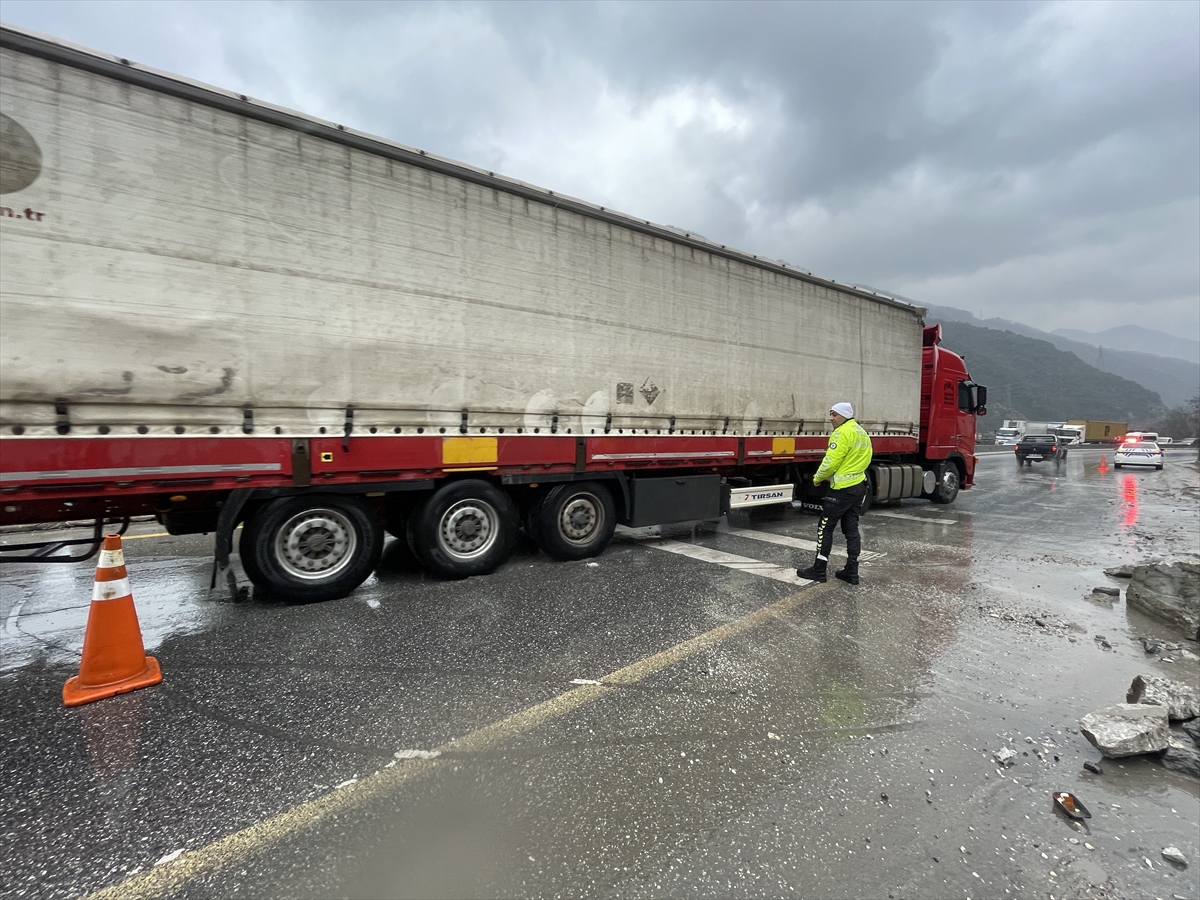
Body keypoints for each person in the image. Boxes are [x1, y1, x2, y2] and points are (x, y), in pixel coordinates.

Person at [797, 402, 872, 584]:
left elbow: (831, 460)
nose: (831, 418)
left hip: (841, 490)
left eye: (834, 415)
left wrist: (818, 477)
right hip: (858, 486)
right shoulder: (862, 433)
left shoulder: (841, 433)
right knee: (851, 529)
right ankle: (851, 571)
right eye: (830, 414)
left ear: (844, 415)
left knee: (825, 527)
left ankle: (819, 570)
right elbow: (868, 457)